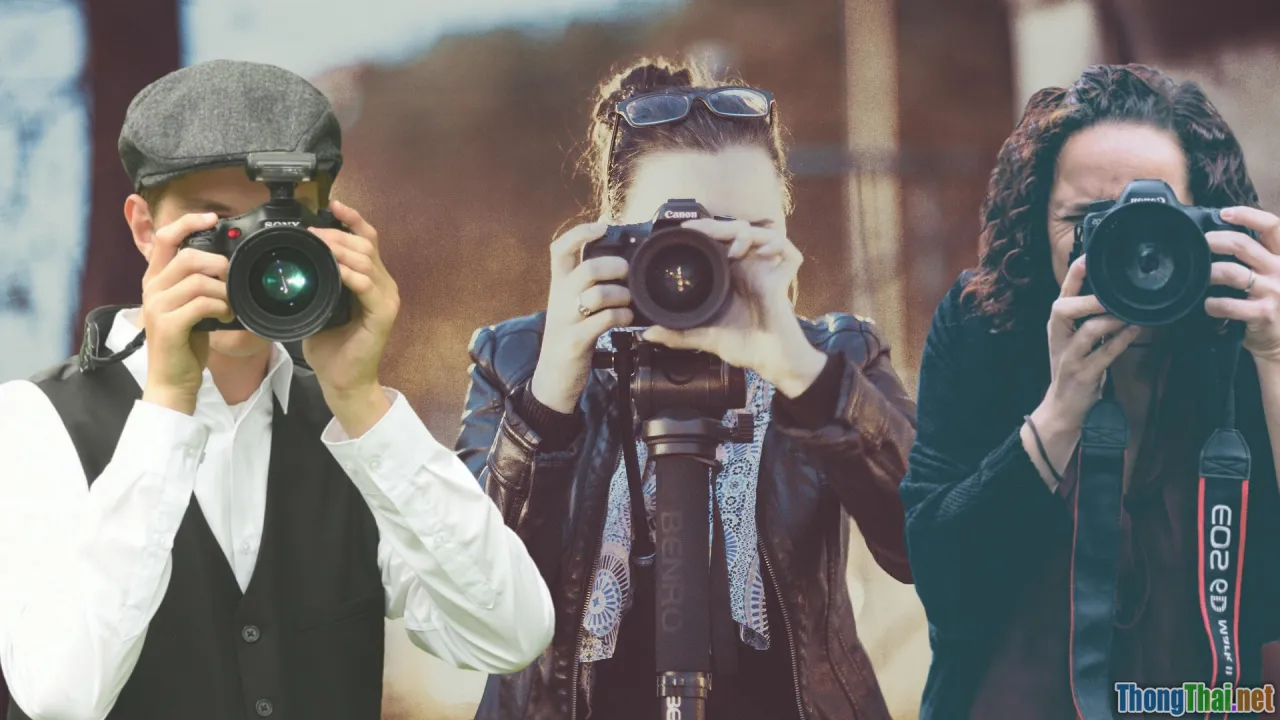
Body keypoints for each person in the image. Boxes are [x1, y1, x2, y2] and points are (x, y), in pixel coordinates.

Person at [0, 60, 554, 720]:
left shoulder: (355, 438)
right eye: (219, 223)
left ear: (331, 234)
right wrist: (168, 404)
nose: (252, 256)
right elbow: (60, 698)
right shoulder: (37, 422)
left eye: (280, 225)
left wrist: (363, 402)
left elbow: (511, 633)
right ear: (145, 227)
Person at [455, 57, 917, 720]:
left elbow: (936, 552)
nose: (703, 270)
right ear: (610, 234)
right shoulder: (520, 359)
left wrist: (803, 377)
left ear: (786, 230)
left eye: (745, 237)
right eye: (675, 238)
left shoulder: (832, 358)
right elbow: (469, 597)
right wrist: (548, 396)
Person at [901, 63, 1280, 718]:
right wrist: (1058, 414)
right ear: (1035, 224)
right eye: (1089, 220)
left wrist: (1275, 358)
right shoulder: (982, 327)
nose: (1134, 247)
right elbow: (947, 590)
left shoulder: (1244, 332)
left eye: (1156, 218)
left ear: (1208, 221)